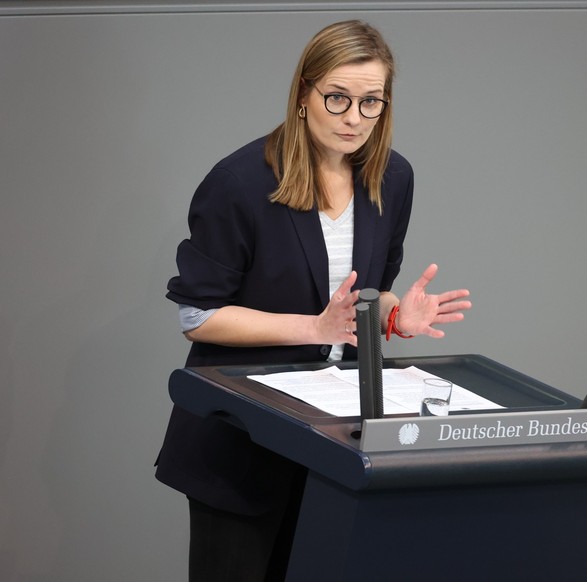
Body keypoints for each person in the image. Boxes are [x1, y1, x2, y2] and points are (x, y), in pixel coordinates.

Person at [155, 19, 472, 581]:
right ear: (304, 95)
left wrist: (396, 316)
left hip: (335, 438)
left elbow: (365, 296)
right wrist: (312, 328)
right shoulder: (239, 183)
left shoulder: (392, 178)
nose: (354, 118)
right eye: (338, 98)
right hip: (242, 440)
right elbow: (198, 315)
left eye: (371, 102)